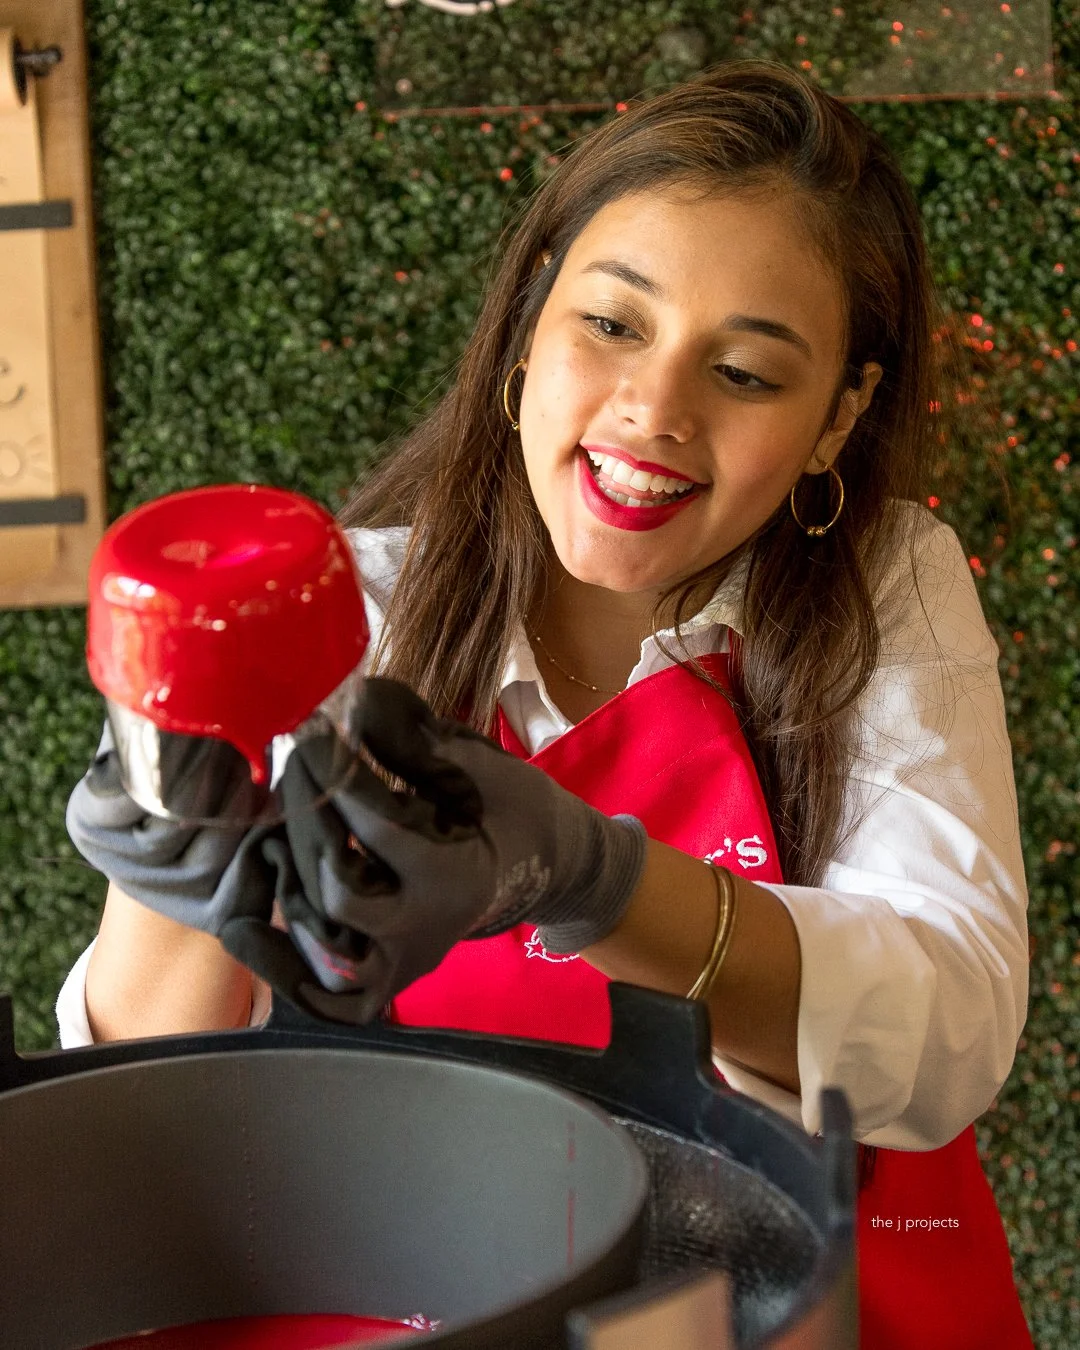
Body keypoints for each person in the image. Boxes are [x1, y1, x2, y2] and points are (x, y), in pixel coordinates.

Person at [59, 60, 1033, 1350]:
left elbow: (949, 1029)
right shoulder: (340, 610)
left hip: (781, 1299)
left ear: (837, 416)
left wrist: (590, 878)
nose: (654, 410)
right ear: (527, 327)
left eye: (746, 373)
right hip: (438, 1300)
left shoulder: (887, 587)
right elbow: (145, 1138)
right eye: (613, 324)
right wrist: (168, 878)